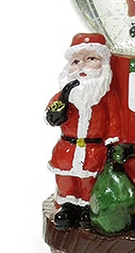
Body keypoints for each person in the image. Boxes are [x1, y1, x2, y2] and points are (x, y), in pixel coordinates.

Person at [45, 32, 121, 227]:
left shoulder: (105, 96)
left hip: (93, 149)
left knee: (89, 180)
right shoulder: (65, 95)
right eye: (76, 61)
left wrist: (113, 143)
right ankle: (68, 206)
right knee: (66, 178)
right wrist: (62, 100)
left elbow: (114, 120)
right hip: (67, 148)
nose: (82, 66)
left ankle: (87, 207)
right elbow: (52, 114)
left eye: (91, 59)